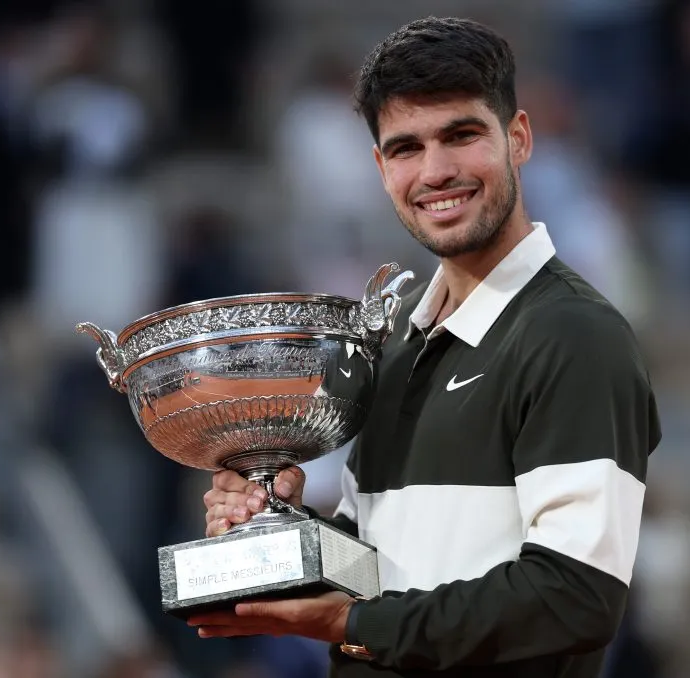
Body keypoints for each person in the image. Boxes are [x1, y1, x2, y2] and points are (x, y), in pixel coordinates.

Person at [190, 16, 661, 678]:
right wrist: (279, 528)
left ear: (518, 139)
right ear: (381, 169)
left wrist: (354, 624)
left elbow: (575, 597)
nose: (436, 171)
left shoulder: (574, 335)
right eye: (407, 147)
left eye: (461, 136)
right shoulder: (394, 337)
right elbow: (373, 569)